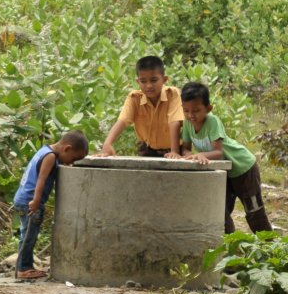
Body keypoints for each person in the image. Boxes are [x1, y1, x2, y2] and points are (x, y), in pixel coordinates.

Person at [178, 81, 273, 235]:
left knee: (253, 210)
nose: (191, 115)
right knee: (220, 211)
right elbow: (185, 149)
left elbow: (218, 152)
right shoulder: (188, 124)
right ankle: (230, 247)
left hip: (243, 167)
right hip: (225, 172)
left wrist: (201, 155)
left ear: (208, 108)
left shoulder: (212, 121)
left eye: (196, 110)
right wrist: (190, 156)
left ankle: (270, 250)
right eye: (186, 110)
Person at [12, 130, 89, 280]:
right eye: (73, 158)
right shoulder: (50, 157)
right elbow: (41, 180)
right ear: (67, 149)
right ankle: (23, 269)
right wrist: (35, 202)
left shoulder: (46, 151)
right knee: (29, 236)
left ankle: (25, 266)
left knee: (27, 234)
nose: (71, 162)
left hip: (23, 198)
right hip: (30, 201)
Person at [97, 56, 183, 158]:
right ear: (138, 82)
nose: (149, 86)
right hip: (147, 150)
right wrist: (107, 144)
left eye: (154, 80)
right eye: (143, 81)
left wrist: (175, 151)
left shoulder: (172, 94)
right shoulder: (134, 98)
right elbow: (122, 121)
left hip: (175, 149)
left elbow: (175, 122)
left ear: (164, 79)